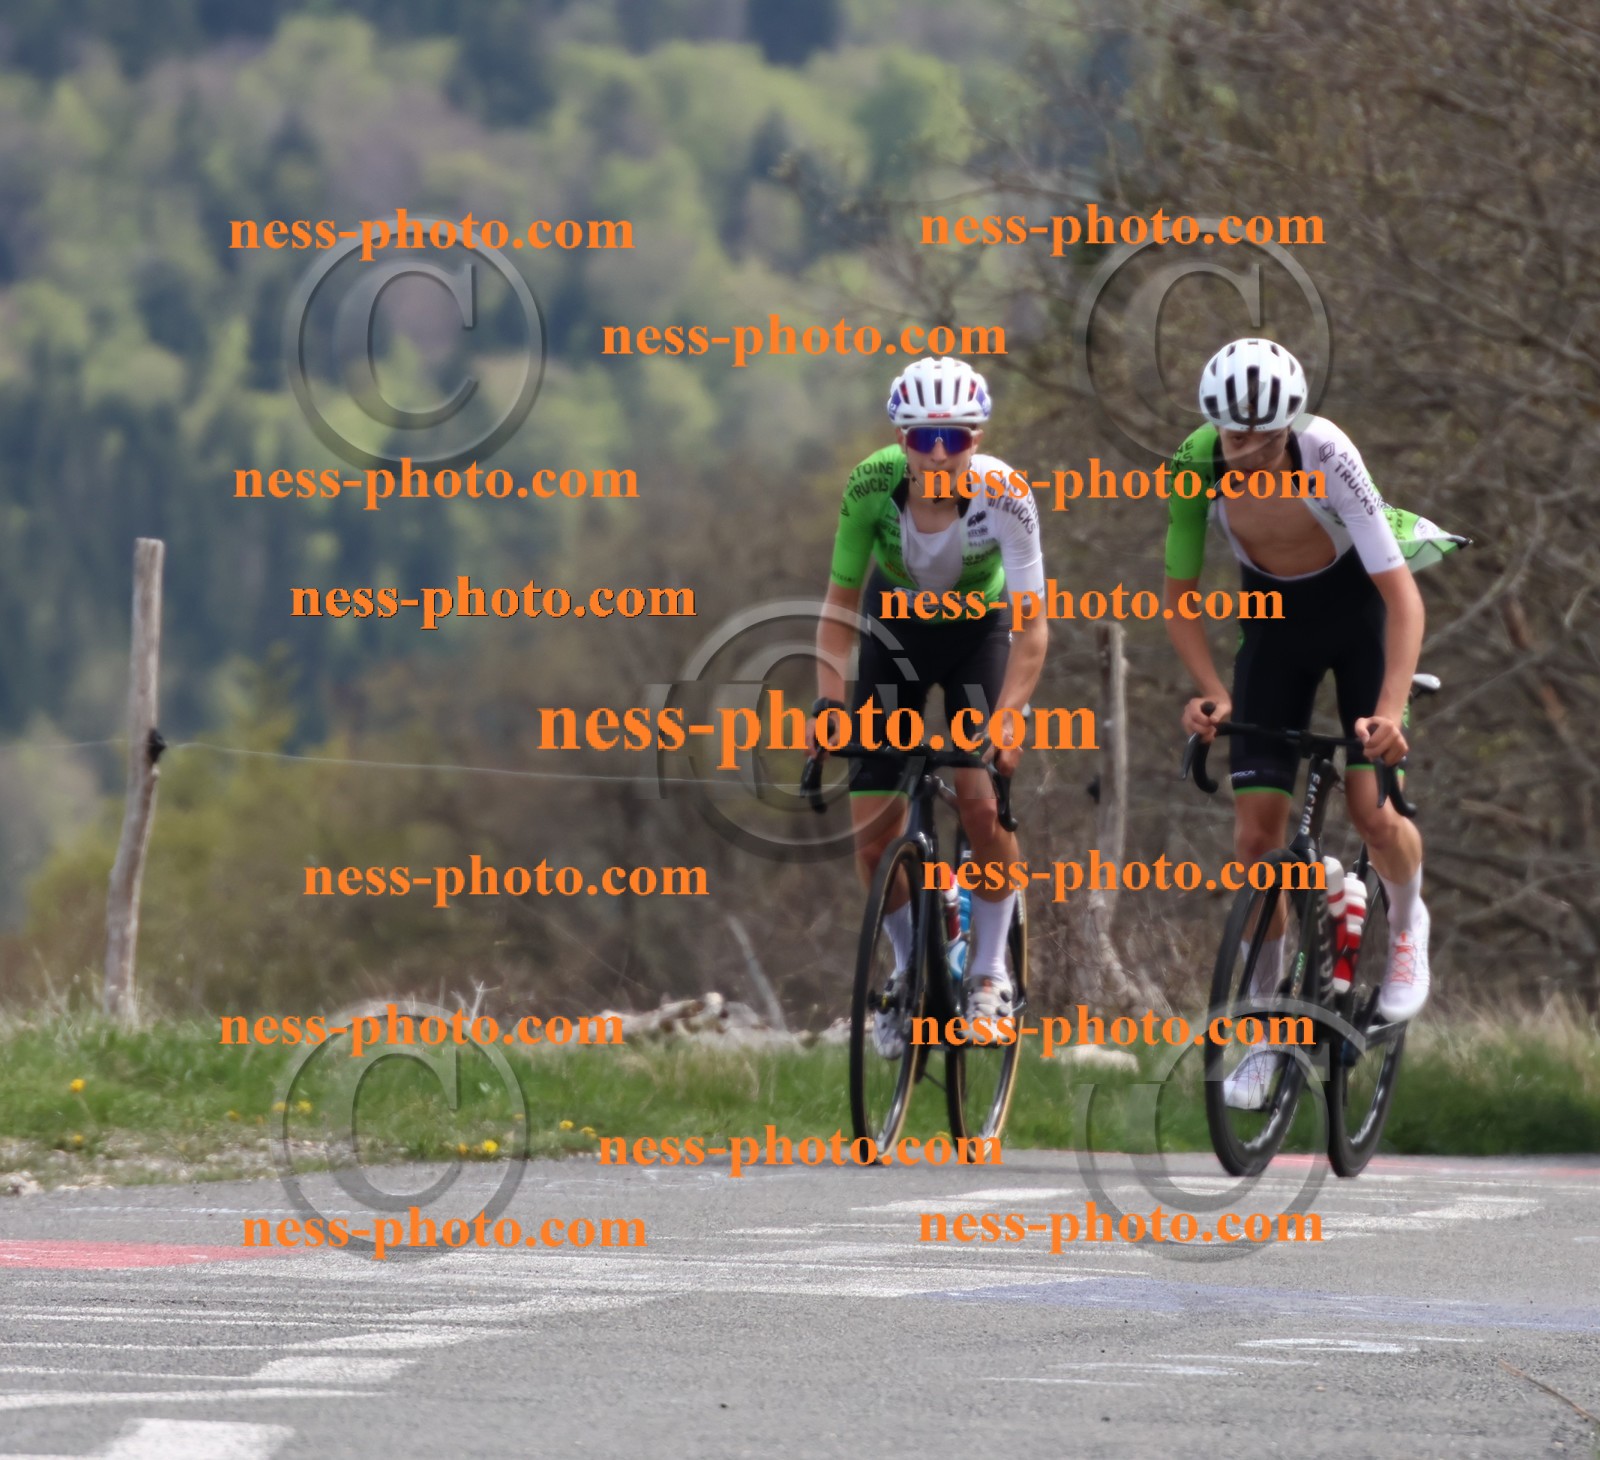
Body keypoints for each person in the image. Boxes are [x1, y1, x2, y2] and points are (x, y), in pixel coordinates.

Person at [1164, 338, 1461, 1108]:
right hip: (1273, 633)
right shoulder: (1194, 462)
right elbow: (1179, 597)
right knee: (1256, 842)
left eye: (1264, 438)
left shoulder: (1327, 451)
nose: (1248, 451)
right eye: (1234, 435)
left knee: (1372, 811)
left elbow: (1403, 599)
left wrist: (1389, 712)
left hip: (1358, 620)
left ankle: (1407, 925)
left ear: (1290, 424)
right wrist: (1209, 692)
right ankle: (1266, 1029)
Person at [810, 356, 1048, 1054]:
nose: (939, 453)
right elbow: (837, 609)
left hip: (979, 635)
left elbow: (1033, 629)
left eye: (955, 437)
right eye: (923, 438)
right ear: (901, 439)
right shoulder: (870, 485)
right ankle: (909, 965)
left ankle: (988, 974)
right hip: (895, 634)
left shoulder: (1007, 496)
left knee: (979, 801)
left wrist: (1009, 716)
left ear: (977, 437)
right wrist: (829, 705)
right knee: (871, 834)